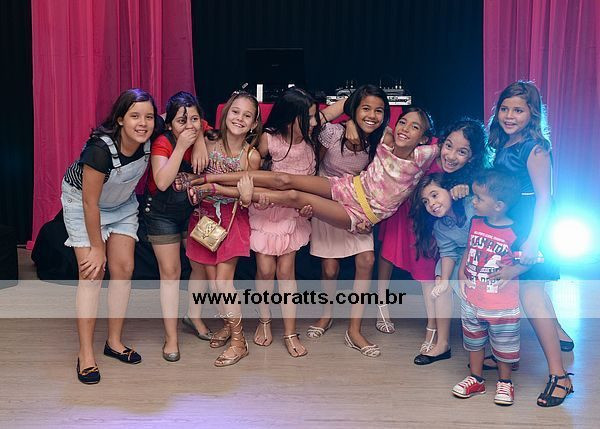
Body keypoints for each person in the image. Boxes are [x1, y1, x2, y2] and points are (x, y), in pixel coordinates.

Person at [184, 94, 439, 356]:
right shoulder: (382, 137)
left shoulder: (420, 152)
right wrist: (350, 119)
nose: (404, 129)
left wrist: (453, 189)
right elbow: (341, 110)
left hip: (356, 213)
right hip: (344, 189)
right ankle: (206, 182)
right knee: (283, 186)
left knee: (343, 252)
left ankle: (345, 331)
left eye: (414, 127)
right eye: (403, 122)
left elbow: (451, 150)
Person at [61, 88, 158, 384]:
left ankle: (114, 342)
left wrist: (203, 139)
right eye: (135, 116)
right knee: (92, 274)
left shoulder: (151, 137)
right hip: (82, 204)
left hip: (122, 204)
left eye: (149, 117)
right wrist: (97, 248)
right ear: (120, 119)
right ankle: (85, 353)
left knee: (124, 269)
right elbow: (90, 203)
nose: (143, 123)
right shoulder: (99, 150)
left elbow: (188, 121)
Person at [487, 80, 573, 407]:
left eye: (518, 110)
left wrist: (534, 241)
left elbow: (544, 199)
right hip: (514, 224)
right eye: (505, 109)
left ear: (532, 114)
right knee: (528, 292)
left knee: (531, 295)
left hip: (532, 225)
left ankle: (560, 376)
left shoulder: (536, 148)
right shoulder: (505, 141)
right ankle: (511, 354)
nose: (510, 115)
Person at [185, 90, 262, 367]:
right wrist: (199, 142)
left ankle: (239, 341)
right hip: (204, 219)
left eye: (247, 115)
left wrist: (245, 196)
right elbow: (190, 123)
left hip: (232, 221)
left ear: (254, 124)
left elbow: (250, 196)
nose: (239, 118)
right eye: (235, 112)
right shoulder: (208, 141)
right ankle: (229, 326)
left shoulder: (251, 156)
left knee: (222, 282)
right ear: (226, 113)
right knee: (211, 279)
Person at [306, 85, 385, 349]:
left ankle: (354, 330)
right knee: (330, 269)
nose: (372, 115)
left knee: (367, 260)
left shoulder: (380, 141)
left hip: (358, 206)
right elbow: (314, 166)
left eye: (379, 111)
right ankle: (327, 314)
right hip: (327, 201)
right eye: (365, 108)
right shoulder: (333, 133)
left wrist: (369, 216)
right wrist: (349, 117)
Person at [405, 119, 487, 365]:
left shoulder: (472, 201)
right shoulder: (440, 225)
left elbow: (481, 237)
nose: (451, 156)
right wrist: (443, 281)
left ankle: (491, 345)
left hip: (482, 252)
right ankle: (442, 344)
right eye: (448, 146)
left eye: (462, 151)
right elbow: (448, 252)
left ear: (472, 157)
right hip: (456, 255)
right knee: (441, 278)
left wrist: (469, 190)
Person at [246, 87, 320, 358]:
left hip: (291, 216)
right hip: (266, 213)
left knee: (286, 271)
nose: (314, 122)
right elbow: (252, 176)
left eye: (314, 116)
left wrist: (307, 208)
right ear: (290, 117)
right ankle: (264, 319)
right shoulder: (268, 140)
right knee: (265, 270)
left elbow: (309, 186)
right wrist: (259, 198)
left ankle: (290, 331)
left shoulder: (309, 147)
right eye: (308, 117)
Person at [140, 91, 213, 362]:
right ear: (169, 124)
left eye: (194, 119)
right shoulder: (163, 142)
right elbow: (161, 182)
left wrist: (201, 138)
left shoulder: (201, 130)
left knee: (201, 264)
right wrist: (182, 147)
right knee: (171, 273)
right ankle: (171, 337)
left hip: (193, 209)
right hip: (162, 213)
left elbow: (202, 124)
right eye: (182, 121)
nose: (189, 125)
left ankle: (193, 316)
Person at [452, 169, 525, 406]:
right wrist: (461, 270)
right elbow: (468, 248)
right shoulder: (476, 222)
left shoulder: (516, 232)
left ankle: (505, 382)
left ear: (499, 206)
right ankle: (476, 379)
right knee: (474, 341)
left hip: (501, 304)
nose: (473, 201)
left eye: (479, 198)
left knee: (504, 345)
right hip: (473, 298)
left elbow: (533, 259)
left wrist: (513, 271)